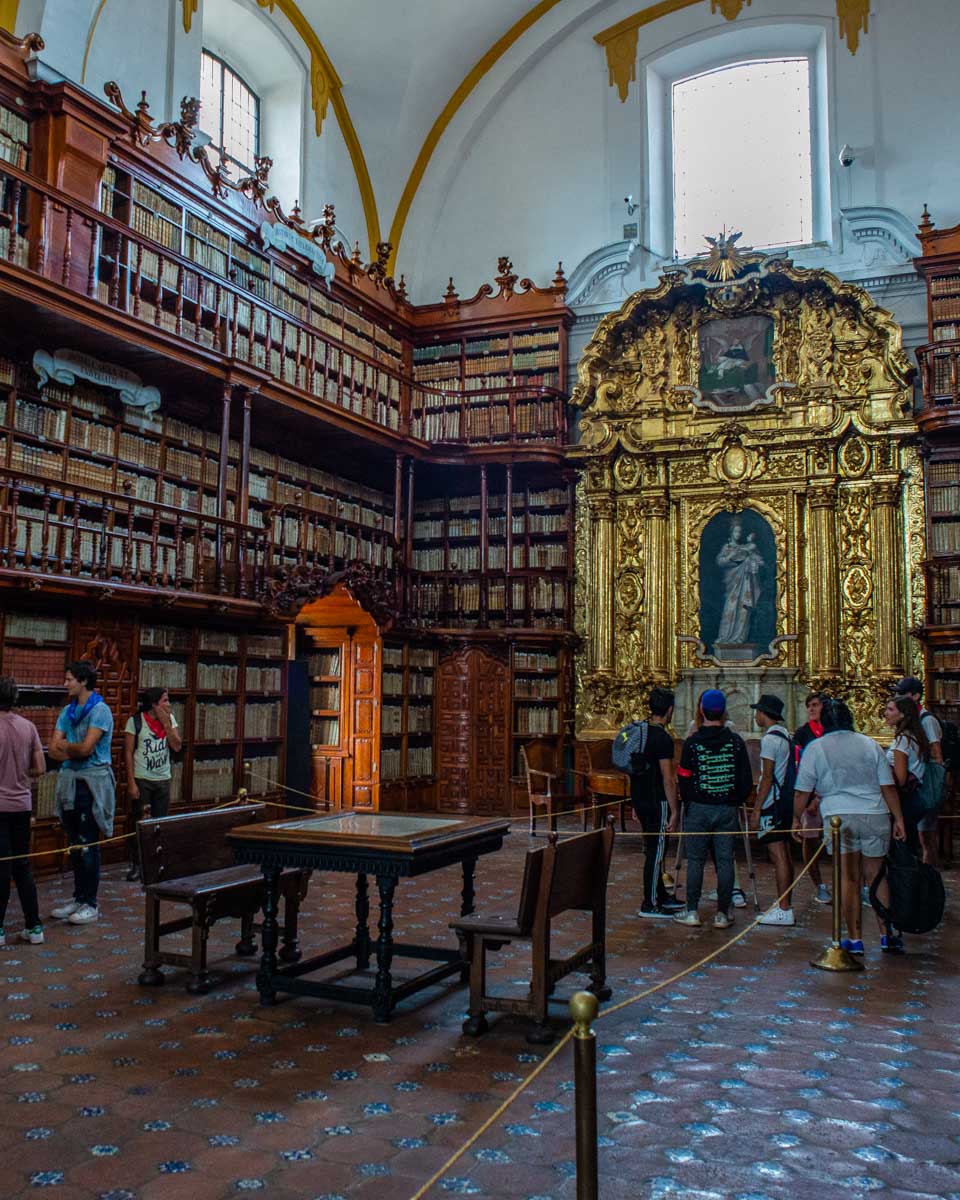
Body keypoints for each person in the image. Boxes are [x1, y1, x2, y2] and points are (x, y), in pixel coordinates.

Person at [794, 698, 906, 956]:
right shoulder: (869, 744)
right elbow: (887, 786)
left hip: (838, 816)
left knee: (848, 878)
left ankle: (855, 939)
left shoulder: (816, 747)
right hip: (875, 812)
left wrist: (796, 818)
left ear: (825, 722)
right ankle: (886, 935)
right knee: (877, 876)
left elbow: (802, 791)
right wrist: (898, 818)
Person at [674, 689, 753, 930]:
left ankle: (692, 911)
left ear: (701, 711)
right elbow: (746, 780)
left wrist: (690, 801)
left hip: (698, 809)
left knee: (696, 861)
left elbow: (684, 777)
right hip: (726, 809)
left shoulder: (692, 743)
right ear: (724, 712)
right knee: (725, 860)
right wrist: (733, 800)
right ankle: (722, 914)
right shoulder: (735, 742)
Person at [48, 662, 116, 924]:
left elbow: (87, 749)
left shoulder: (100, 711)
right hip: (70, 781)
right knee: (74, 843)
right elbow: (52, 750)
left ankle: (91, 902)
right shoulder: (68, 710)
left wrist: (65, 746)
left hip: (91, 782)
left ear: (84, 681)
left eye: (69, 680)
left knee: (88, 844)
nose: (65, 684)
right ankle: (78, 897)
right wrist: (67, 747)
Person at [629, 688, 684, 919]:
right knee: (656, 852)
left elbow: (633, 770)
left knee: (654, 850)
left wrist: (634, 802)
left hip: (640, 798)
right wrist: (674, 810)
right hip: (657, 801)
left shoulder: (639, 732)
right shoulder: (662, 737)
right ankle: (650, 903)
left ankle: (661, 896)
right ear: (669, 710)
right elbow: (668, 778)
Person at [0, 677, 46, 946]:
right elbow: (40, 768)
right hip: (22, 805)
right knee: (22, 867)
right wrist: (20, 774)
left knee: (1, 868)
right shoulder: (28, 727)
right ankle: (35, 926)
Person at [123, 687, 182, 882]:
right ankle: (137, 864)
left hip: (162, 779)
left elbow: (176, 746)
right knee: (139, 824)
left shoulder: (170, 719)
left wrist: (166, 723)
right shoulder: (136, 722)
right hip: (142, 779)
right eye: (165, 700)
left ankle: (157, 864)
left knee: (160, 824)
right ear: (154, 704)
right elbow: (128, 754)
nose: (169, 704)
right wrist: (131, 783)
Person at [750, 694, 796, 927]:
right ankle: (785, 904)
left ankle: (784, 908)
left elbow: (766, 777)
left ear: (765, 713)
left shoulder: (770, 740)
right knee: (784, 855)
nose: (756, 715)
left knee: (777, 855)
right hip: (784, 802)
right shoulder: (785, 734)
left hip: (772, 803)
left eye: (758, 711)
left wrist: (757, 809)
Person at [893, 676, 943, 865]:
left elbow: (936, 752)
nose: (897, 696)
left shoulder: (926, 721)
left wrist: (936, 785)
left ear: (915, 696)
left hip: (924, 785)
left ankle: (929, 879)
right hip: (920, 784)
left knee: (925, 837)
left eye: (902, 693)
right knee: (922, 836)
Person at [793, 692, 830, 904]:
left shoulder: (833, 732)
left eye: (816, 705)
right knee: (810, 839)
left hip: (831, 794)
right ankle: (820, 885)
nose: (812, 709)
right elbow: (801, 768)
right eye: (809, 706)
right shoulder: (802, 734)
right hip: (810, 796)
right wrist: (812, 799)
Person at [883, 695, 931, 857]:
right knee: (909, 849)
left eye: (890, 709)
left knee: (902, 852)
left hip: (906, 801)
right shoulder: (915, 736)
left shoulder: (903, 740)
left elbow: (901, 779)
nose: (886, 713)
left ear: (902, 714)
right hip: (915, 798)